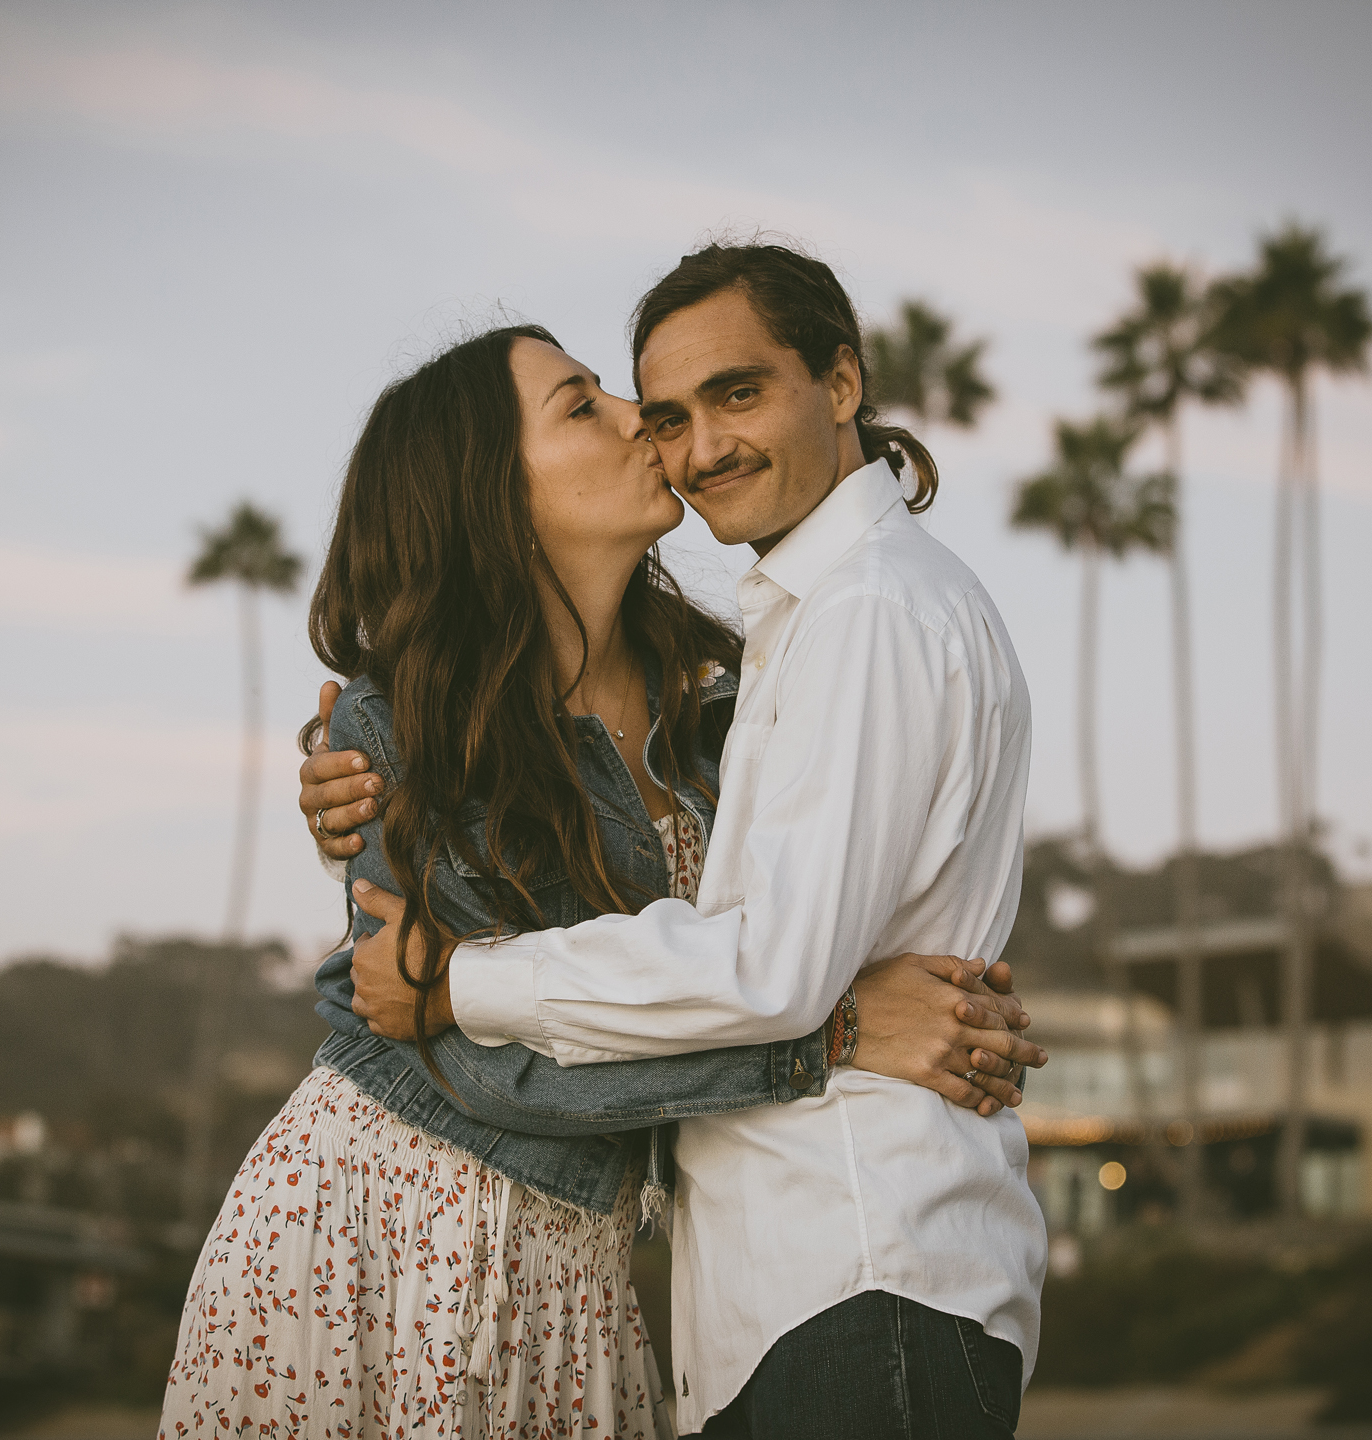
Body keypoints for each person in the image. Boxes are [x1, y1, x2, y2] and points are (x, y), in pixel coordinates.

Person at [164, 321, 1044, 1439]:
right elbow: (476, 1060)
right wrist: (833, 1036)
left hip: (581, 1282)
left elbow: (769, 951)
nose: (645, 421)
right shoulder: (400, 730)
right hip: (380, 1230)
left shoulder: (731, 707)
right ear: (489, 490)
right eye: (584, 405)